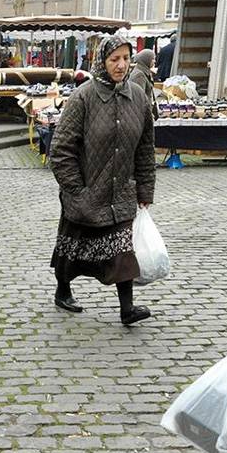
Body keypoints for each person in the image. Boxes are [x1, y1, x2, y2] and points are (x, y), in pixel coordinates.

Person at [47, 34, 155, 323]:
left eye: (125, 58)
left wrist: (144, 190)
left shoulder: (138, 97)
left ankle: (127, 309)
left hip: (121, 191)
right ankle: (62, 290)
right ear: (101, 61)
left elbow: (145, 148)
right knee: (72, 248)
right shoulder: (83, 96)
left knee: (122, 248)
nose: (121, 65)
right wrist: (76, 190)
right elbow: (60, 149)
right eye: (114, 59)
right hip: (86, 191)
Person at [129, 47, 159, 119]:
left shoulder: (143, 71)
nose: (154, 61)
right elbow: (138, 99)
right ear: (146, 60)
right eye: (153, 59)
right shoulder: (139, 75)